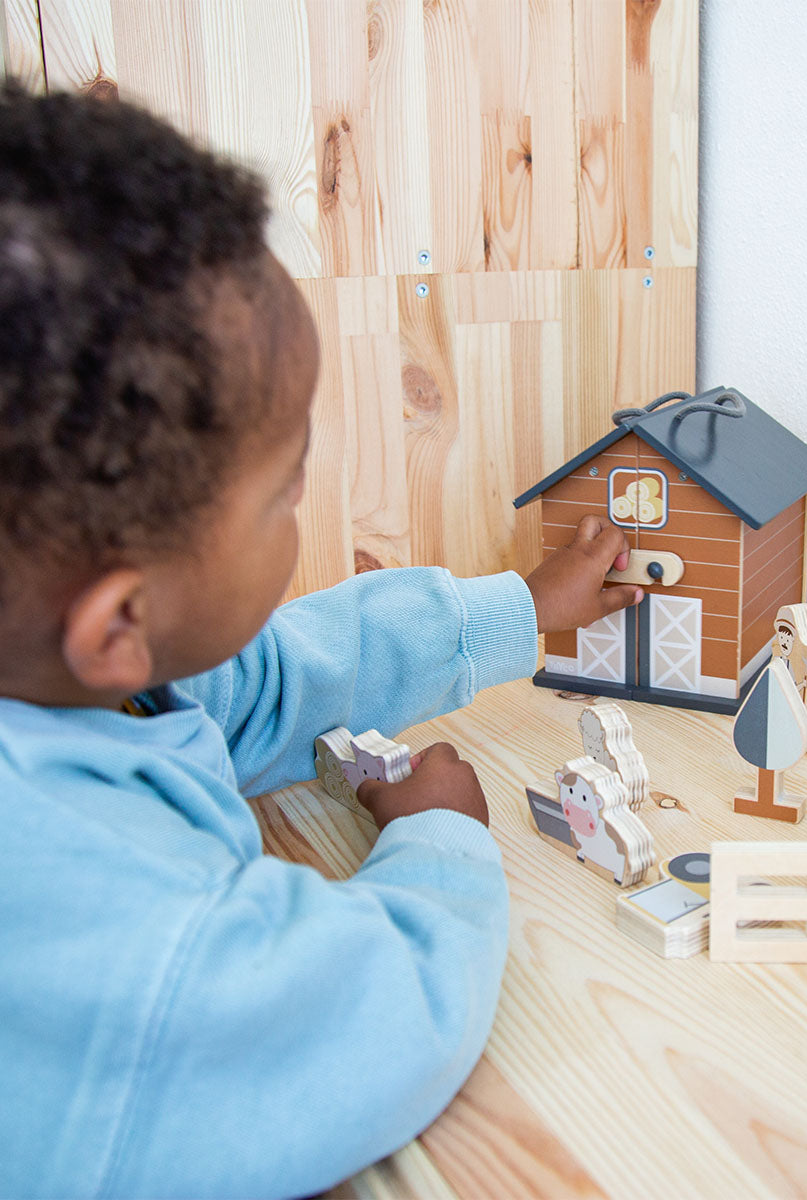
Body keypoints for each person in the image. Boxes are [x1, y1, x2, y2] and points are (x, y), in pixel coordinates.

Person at [0, 84, 642, 1199]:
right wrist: (441, 842)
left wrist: (518, 611)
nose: (305, 506)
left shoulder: (76, 674)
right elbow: (366, 1023)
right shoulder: (116, 927)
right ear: (118, 624)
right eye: (286, 489)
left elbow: (263, 679)